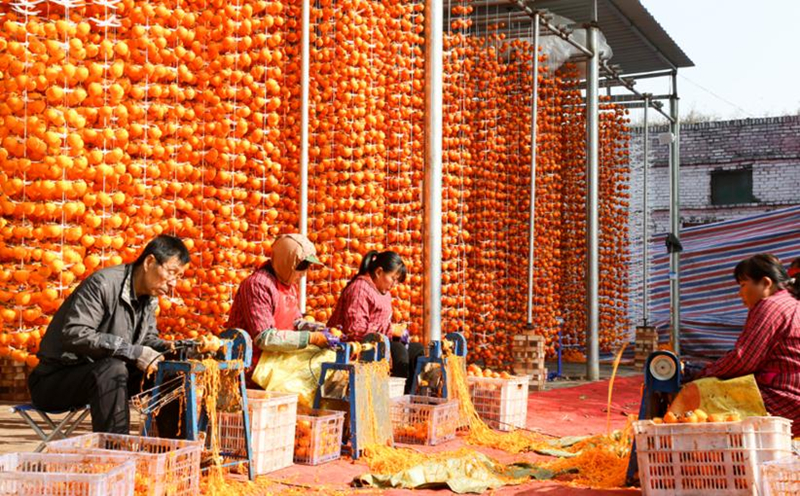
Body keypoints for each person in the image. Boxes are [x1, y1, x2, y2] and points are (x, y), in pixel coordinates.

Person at [29, 235, 190, 434]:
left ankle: (175, 452)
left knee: (170, 373)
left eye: (179, 276)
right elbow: (75, 333)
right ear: (149, 262)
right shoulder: (103, 284)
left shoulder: (149, 298)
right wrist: (132, 352)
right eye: (172, 272)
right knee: (113, 369)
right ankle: (116, 453)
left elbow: (146, 340)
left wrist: (176, 348)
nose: (174, 283)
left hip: (101, 377)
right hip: (55, 381)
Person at [696, 253, 800, 435]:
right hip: (793, 397)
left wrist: (701, 373)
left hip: (785, 402)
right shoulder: (791, 303)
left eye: (743, 285)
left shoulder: (771, 306)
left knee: (698, 393)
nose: (740, 293)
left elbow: (743, 360)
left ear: (766, 283)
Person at [227, 233, 337, 386]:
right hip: (252, 366)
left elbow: (296, 322)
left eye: (307, 268)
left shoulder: (289, 285)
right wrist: (312, 338)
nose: (304, 274)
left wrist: (319, 329)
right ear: (287, 262)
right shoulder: (258, 285)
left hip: (277, 359)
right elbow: (264, 338)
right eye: (301, 267)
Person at [327, 250, 424, 390]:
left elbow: (380, 323)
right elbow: (355, 330)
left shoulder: (384, 292)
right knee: (399, 352)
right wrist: (391, 330)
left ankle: (409, 398)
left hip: (377, 345)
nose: (394, 284)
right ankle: (392, 399)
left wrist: (397, 333)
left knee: (417, 350)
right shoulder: (360, 289)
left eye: (397, 280)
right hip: (354, 348)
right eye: (393, 278)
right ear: (379, 272)